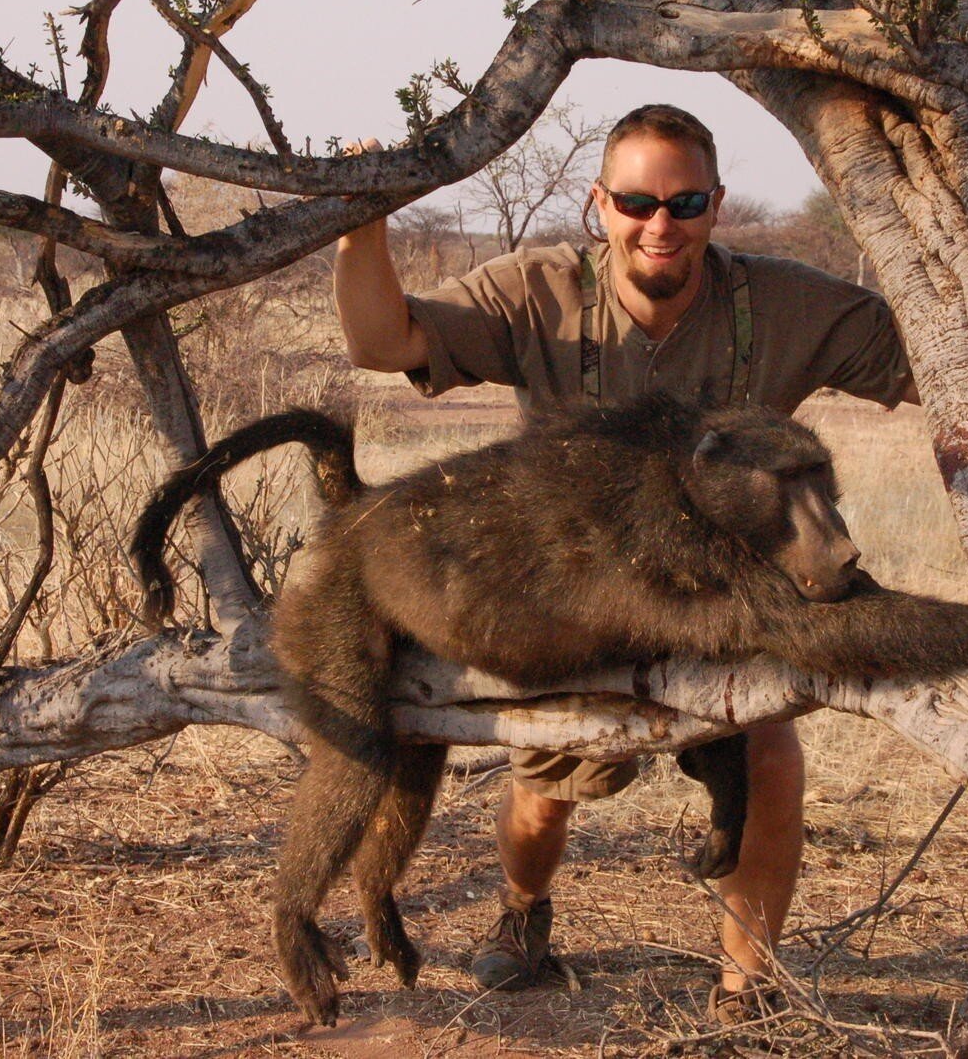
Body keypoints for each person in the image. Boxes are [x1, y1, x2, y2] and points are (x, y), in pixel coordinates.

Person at [331, 104, 918, 1019]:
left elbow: (935, 360)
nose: (661, 225)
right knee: (546, 793)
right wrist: (361, 222)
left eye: (684, 202)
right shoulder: (539, 290)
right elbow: (382, 341)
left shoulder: (786, 303)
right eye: (638, 201)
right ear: (599, 202)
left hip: (730, 607)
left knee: (772, 757)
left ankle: (744, 991)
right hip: (579, 606)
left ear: (716, 206)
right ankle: (522, 916)